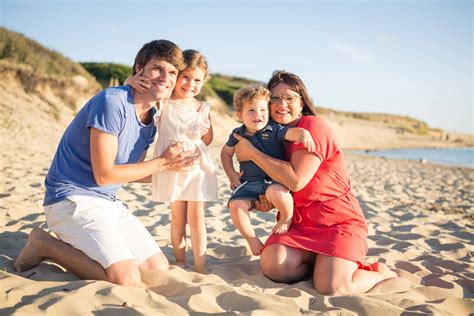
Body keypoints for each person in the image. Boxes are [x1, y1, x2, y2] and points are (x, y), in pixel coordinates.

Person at [13, 40, 200, 288]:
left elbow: (131, 173)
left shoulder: (153, 117)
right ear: (139, 69)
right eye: (158, 68)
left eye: (173, 73)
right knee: (126, 279)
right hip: (71, 200)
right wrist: (162, 163)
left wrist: (173, 169)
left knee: (157, 268)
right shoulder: (112, 102)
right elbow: (104, 175)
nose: (166, 77)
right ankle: (45, 244)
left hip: (108, 203)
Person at [232, 71, 397, 295]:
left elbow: (297, 181)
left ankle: (380, 272)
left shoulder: (313, 127)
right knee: (274, 265)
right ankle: (320, 263)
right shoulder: (270, 138)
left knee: (333, 287)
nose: (282, 104)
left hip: (336, 222)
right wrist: (264, 203)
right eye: (275, 98)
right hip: (297, 223)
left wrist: (252, 153)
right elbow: (275, 185)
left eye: (289, 98)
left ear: (302, 103)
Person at [125, 49, 217, 273]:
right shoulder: (164, 101)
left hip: (196, 167)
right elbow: (134, 90)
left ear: (204, 82)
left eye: (197, 80)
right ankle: (179, 261)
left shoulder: (202, 108)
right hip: (172, 165)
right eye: (185, 77)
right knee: (177, 218)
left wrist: (200, 141)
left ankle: (200, 265)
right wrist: (129, 79)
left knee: (197, 217)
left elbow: (208, 138)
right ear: (176, 77)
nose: (189, 84)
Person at [221, 84, 315, 256]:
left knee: (280, 194)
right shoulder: (237, 134)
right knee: (235, 206)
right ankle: (251, 238)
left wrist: (303, 133)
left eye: (263, 110)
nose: (258, 115)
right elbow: (225, 153)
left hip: (272, 181)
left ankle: (286, 219)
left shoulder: (273, 129)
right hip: (248, 183)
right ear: (239, 115)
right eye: (251, 111)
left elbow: (290, 133)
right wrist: (231, 174)